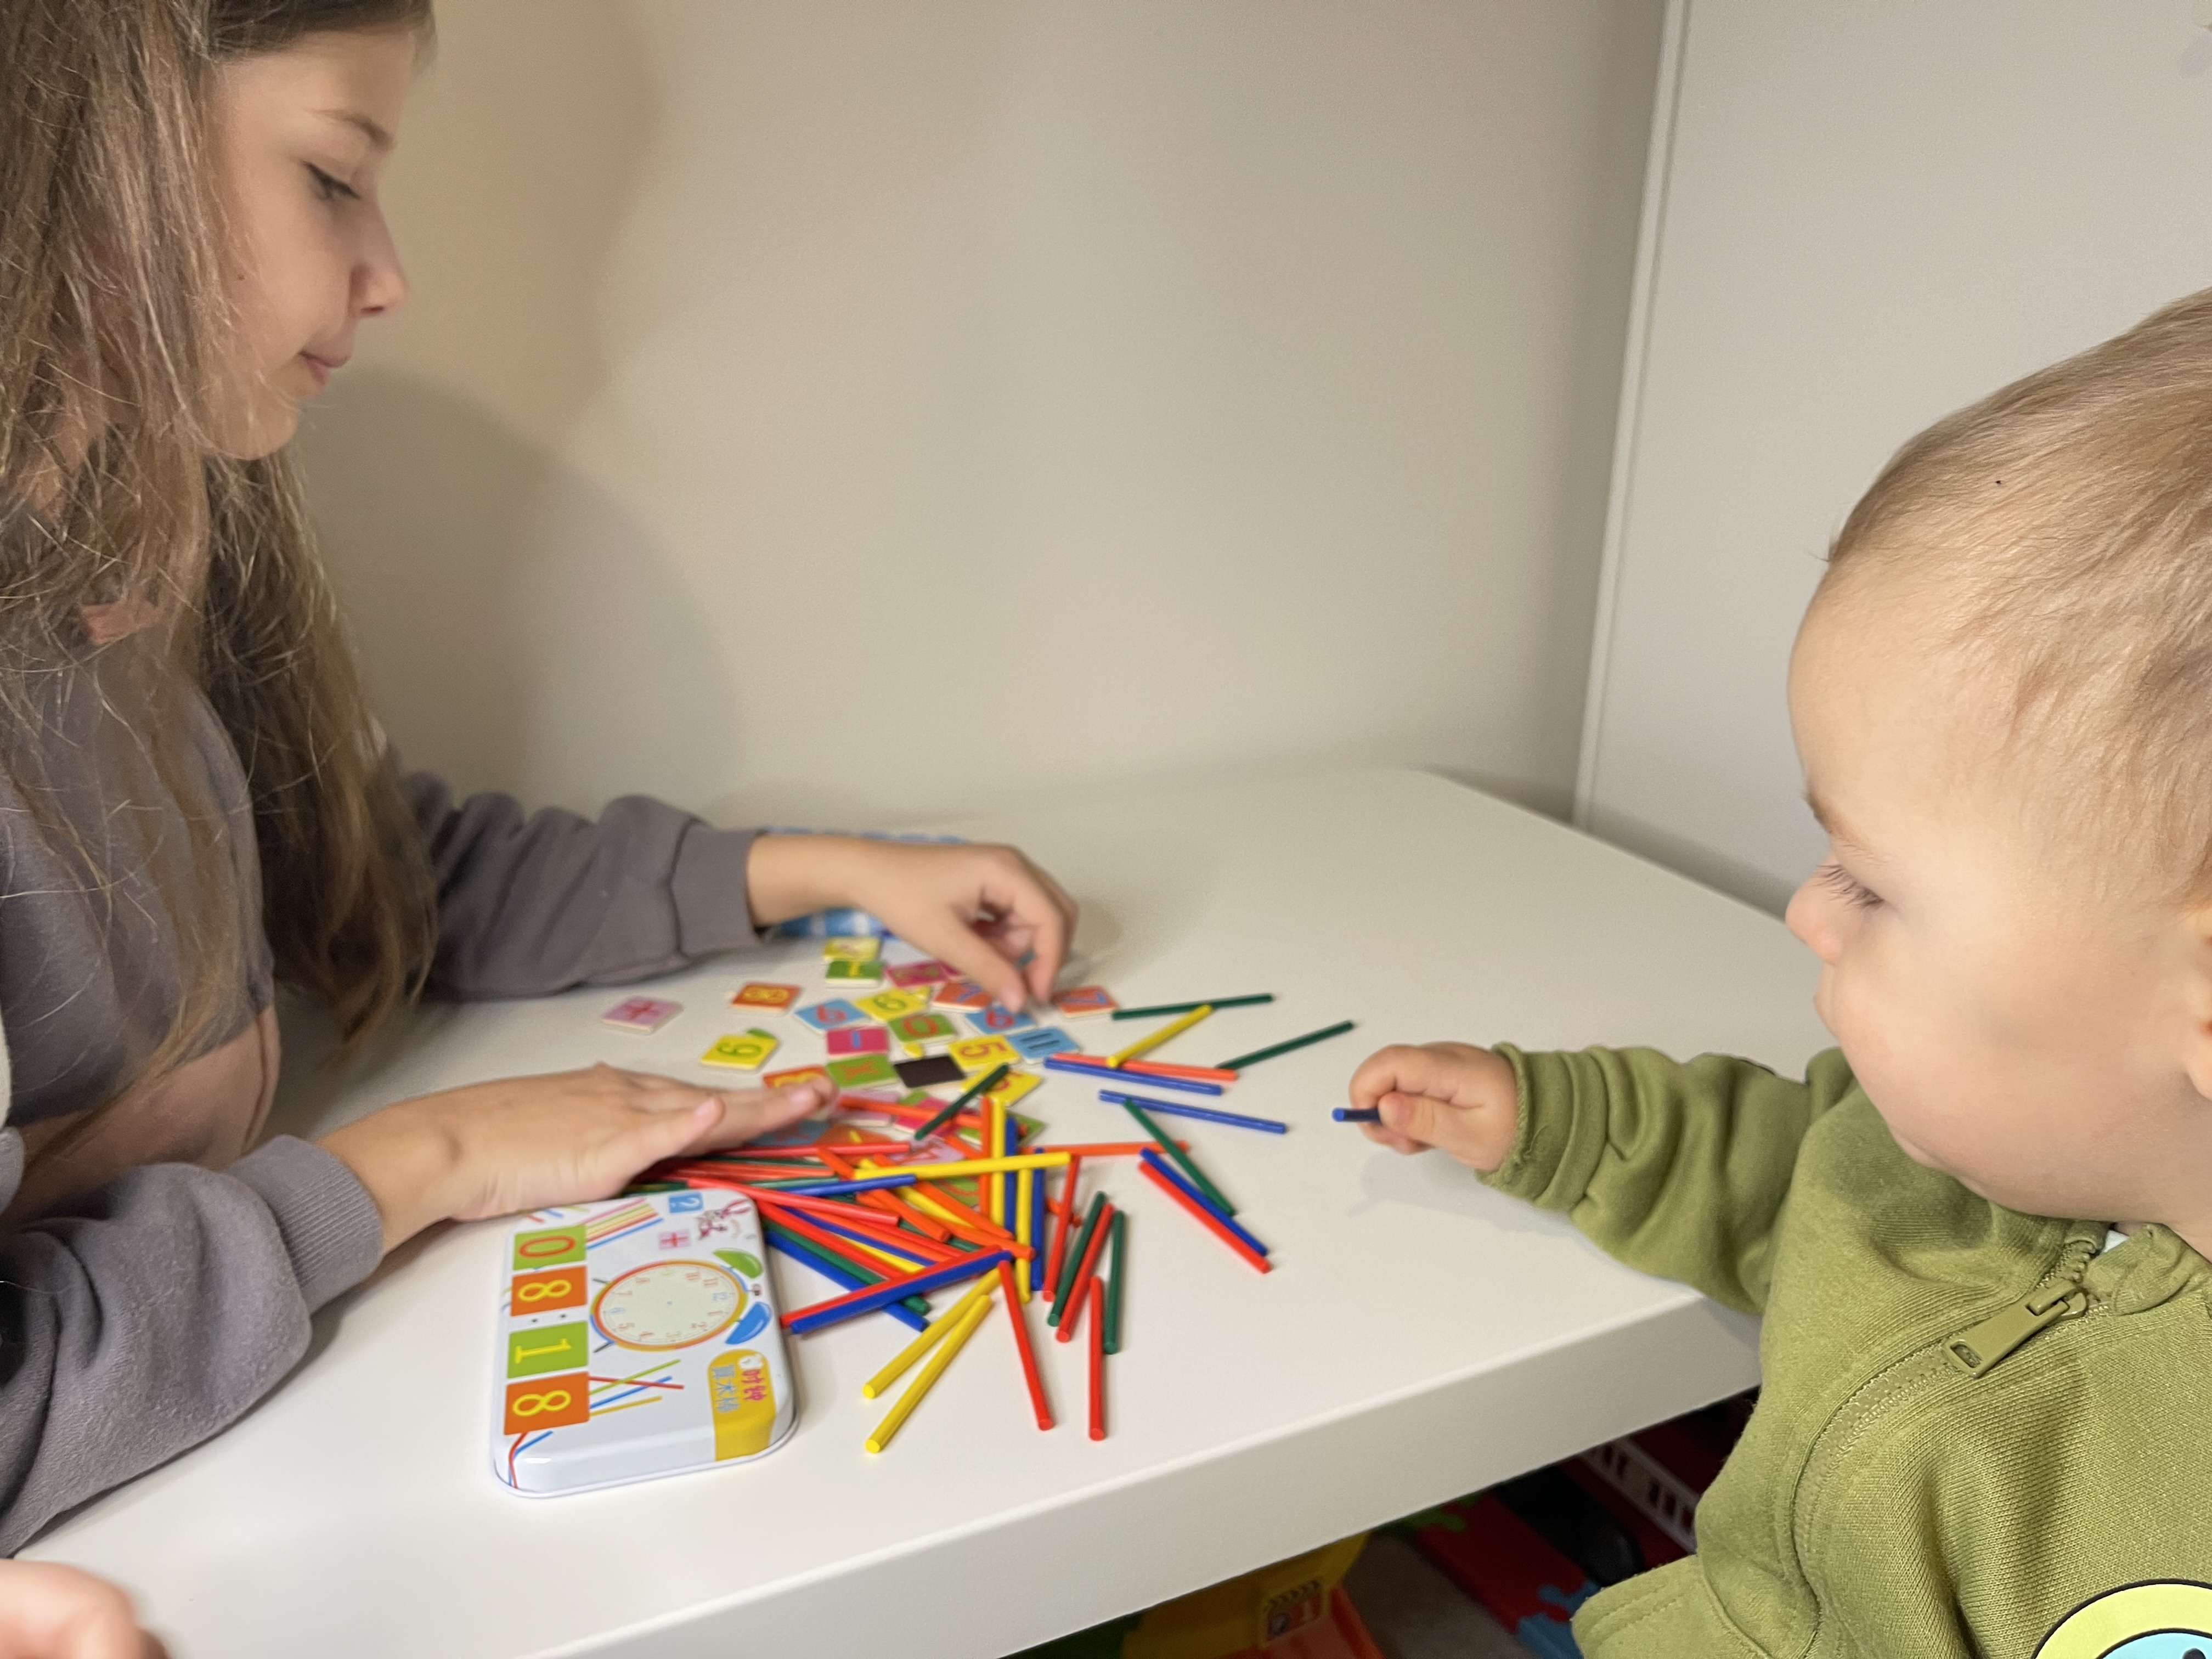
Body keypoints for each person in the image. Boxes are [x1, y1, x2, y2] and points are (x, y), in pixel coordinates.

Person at [0, 1, 1075, 1645]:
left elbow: (378, 881)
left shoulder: (146, 565)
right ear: (100, 155)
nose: (390, 275)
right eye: (334, 177)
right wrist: (419, 1160)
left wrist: (812, 872)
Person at [1350, 289, 2212, 1657]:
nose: (1810, 912)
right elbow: (1815, 1174)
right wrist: (1564, 1125)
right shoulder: (1960, 1152)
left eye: (1870, 885)